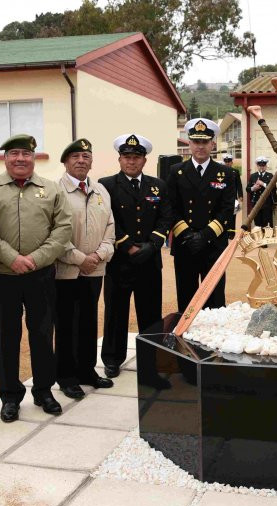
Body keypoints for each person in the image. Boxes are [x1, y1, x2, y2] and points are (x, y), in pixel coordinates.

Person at [0, 134, 72, 422]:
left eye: (26, 154)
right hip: (3, 276)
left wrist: (36, 259)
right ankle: (9, 397)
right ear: (5, 158)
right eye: (14, 154)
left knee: (43, 334)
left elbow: (62, 229)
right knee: (6, 338)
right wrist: (11, 258)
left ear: (34, 158)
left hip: (41, 275)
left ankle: (44, 391)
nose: (20, 159)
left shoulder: (50, 189)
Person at [100, 134, 174, 389]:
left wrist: (152, 245)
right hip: (119, 263)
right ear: (120, 159)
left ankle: (150, 363)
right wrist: (127, 245)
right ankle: (112, 359)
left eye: (137, 157)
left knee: (151, 315)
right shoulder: (106, 185)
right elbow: (106, 219)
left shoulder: (158, 186)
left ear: (145, 159)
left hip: (149, 262)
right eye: (127, 157)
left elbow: (166, 218)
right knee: (116, 312)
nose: (132, 161)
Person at [54, 139, 115, 400]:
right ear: (66, 162)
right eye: (75, 156)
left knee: (89, 322)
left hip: (94, 270)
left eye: (86, 156)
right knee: (67, 324)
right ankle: (67, 377)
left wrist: (99, 255)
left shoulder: (101, 191)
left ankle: (87, 371)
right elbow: (54, 234)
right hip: (66, 271)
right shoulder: (55, 191)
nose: (81, 160)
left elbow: (110, 229)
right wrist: (80, 258)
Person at [166, 118, 235, 312]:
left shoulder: (226, 174)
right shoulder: (176, 171)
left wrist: (204, 236)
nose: (200, 146)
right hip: (185, 244)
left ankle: (212, 341)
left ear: (213, 144)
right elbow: (170, 207)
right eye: (196, 141)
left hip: (213, 244)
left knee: (214, 300)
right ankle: (185, 340)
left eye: (205, 142)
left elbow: (227, 209)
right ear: (189, 143)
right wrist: (188, 235)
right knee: (187, 299)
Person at [246, 156, 277, 229]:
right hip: (256, 203)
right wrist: (253, 188)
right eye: (260, 165)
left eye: (263, 165)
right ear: (257, 166)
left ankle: (267, 239)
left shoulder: (270, 175)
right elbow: (247, 189)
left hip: (267, 203)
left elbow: (273, 187)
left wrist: (262, 183)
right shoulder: (253, 176)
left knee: (267, 223)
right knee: (257, 223)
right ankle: (259, 239)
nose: (262, 167)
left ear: (266, 166)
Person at [222, 153, 244, 230]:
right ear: (224, 162)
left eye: (229, 161)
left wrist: (240, 195)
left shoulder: (235, 171)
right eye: (226, 161)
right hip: (222, 198)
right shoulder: (220, 172)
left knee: (233, 215)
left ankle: (231, 233)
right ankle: (224, 232)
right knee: (223, 215)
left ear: (232, 162)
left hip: (233, 198)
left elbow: (239, 184)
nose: (227, 163)